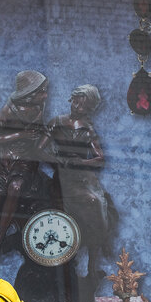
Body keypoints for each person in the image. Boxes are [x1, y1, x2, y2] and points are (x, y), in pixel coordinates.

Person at [45, 84, 118, 273]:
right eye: (76, 102)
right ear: (72, 98)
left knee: (101, 202)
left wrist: (81, 162)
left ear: (90, 109)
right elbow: (38, 149)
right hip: (64, 176)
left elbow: (100, 159)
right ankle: (96, 243)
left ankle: (98, 251)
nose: (78, 108)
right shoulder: (56, 122)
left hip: (84, 176)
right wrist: (58, 160)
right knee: (93, 201)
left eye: (83, 106)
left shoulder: (87, 129)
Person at [0, 70, 52, 251]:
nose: (46, 95)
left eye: (46, 91)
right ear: (30, 94)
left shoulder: (40, 107)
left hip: (25, 160)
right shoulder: (9, 109)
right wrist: (20, 134)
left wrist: (44, 140)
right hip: (5, 159)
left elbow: (41, 131)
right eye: (42, 91)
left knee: (15, 188)